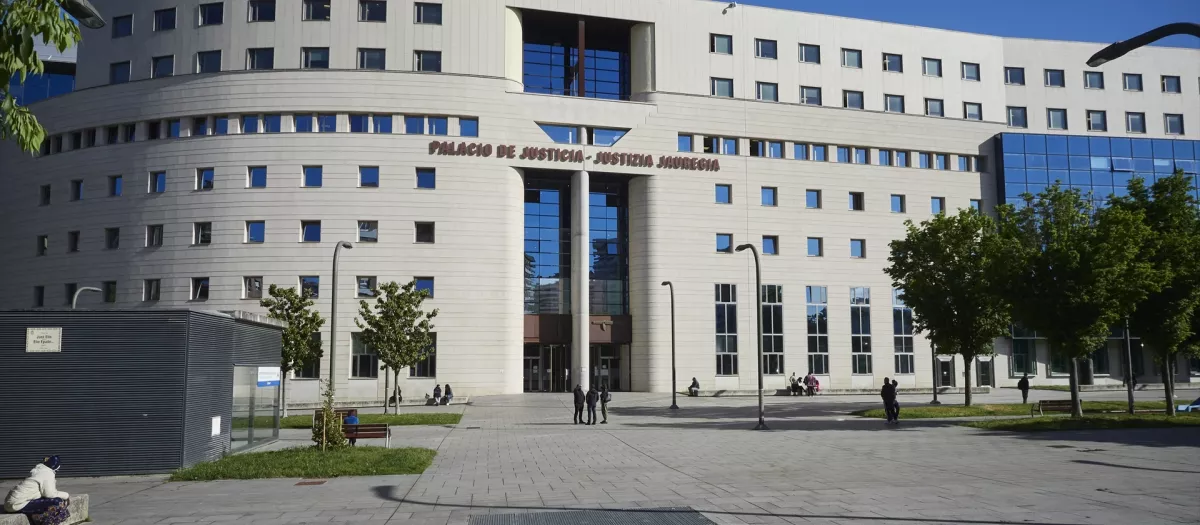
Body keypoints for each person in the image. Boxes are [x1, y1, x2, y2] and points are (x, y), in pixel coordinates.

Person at [4, 456, 71, 525]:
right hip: (17, 504)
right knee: (57, 502)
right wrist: (66, 495)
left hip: (12, 502)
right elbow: (49, 494)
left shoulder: (39, 470)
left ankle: (37, 518)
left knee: (54, 503)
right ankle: (43, 521)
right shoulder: (47, 473)